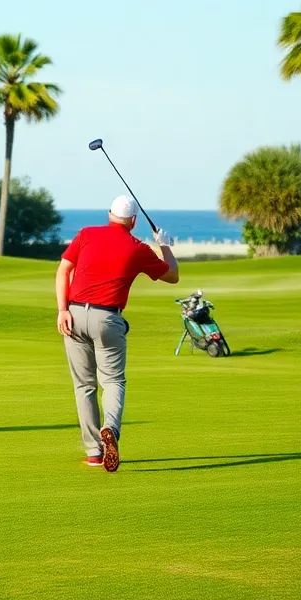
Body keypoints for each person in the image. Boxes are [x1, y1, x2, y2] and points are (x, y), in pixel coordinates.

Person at [55, 195, 179, 472]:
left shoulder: (86, 234)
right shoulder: (138, 248)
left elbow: (64, 270)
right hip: (108, 319)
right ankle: (109, 428)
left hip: (73, 314)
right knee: (112, 381)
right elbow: (172, 276)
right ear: (133, 221)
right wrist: (165, 246)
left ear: (109, 214)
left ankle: (93, 453)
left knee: (84, 386)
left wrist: (62, 310)